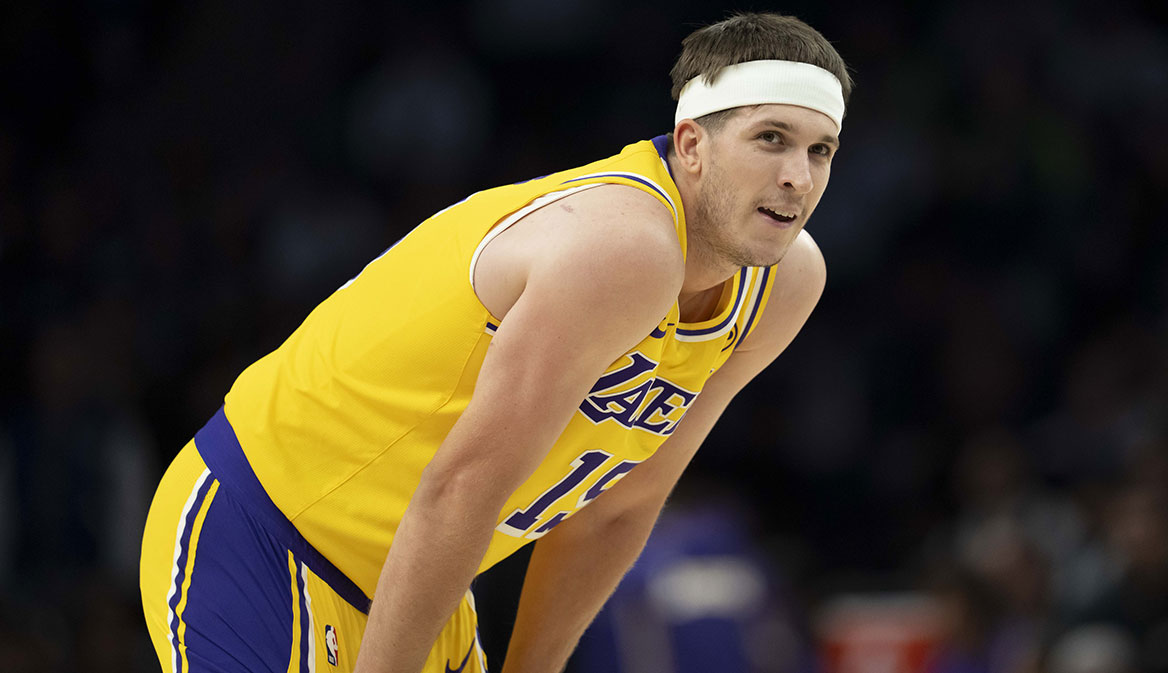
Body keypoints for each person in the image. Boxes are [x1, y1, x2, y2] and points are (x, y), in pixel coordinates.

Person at [139, 12, 853, 673]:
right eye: (771, 138)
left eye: (820, 150)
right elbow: (460, 488)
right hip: (265, 531)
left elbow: (623, 503)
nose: (799, 175)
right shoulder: (627, 245)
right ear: (692, 144)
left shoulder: (785, 282)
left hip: (419, 578)